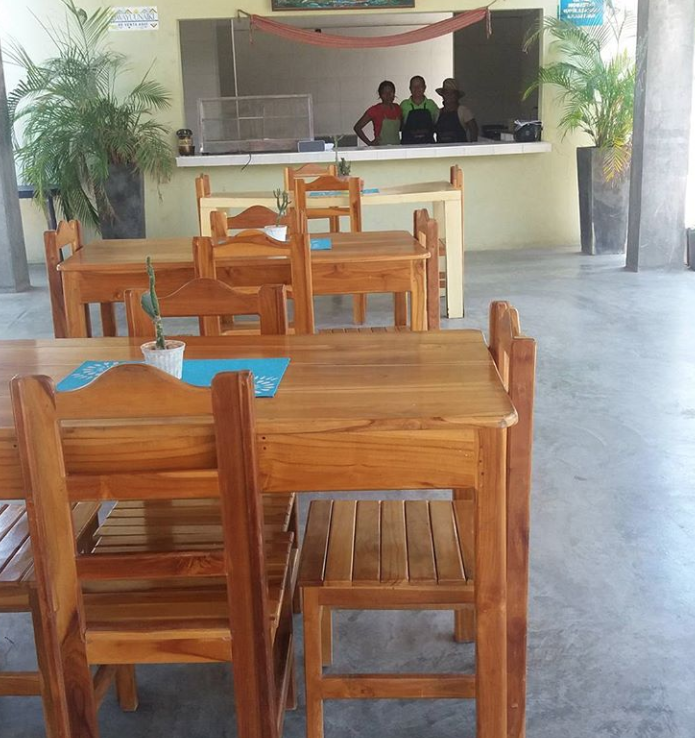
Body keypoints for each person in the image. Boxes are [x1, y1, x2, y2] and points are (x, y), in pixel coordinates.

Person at [353, 80, 402, 147]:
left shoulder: (398, 108)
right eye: (384, 93)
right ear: (380, 95)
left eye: (391, 92)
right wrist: (369, 144)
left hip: (397, 148)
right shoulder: (374, 110)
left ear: (394, 93)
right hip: (380, 149)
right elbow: (357, 127)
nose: (388, 95)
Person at [434, 78, 479, 143]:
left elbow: (474, 129)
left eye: (452, 93)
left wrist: (473, 145)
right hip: (441, 148)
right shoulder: (438, 112)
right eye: (446, 93)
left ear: (457, 96)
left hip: (460, 148)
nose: (449, 96)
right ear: (443, 95)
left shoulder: (463, 111)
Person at [400, 75, 438, 145]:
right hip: (408, 146)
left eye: (420, 86)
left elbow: (437, 123)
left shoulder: (431, 104)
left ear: (424, 87)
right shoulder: (403, 105)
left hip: (428, 146)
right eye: (414, 86)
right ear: (410, 88)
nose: (417, 88)